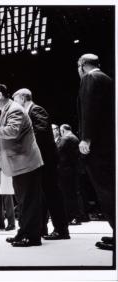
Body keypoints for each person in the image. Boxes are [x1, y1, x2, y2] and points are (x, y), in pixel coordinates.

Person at [0, 84, 43, 247]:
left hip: (26, 162)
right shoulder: (7, 110)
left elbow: (12, 131)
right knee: (23, 201)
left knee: (28, 201)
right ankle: (23, 233)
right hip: (20, 163)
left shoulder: (14, 109)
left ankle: (32, 237)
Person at [12, 88, 70, 240]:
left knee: (51, 194)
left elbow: (41, 131)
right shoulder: (29, 112)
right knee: (41, 196)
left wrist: (21, 140)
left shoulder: (36, 110)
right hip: (40, 160)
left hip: (46, 160)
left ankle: (61, 230)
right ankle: (40, 228)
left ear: (23, 98)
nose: (14, 103)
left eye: (15, 99)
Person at [77, 54, 115, 251]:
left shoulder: (90, 78)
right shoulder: (107, 78)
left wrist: (86, 138)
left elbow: (89, 110)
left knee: (106, 191)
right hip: (109, 143)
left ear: (82, 65)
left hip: (98, 146)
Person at [58, 124, 83, 225]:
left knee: (67, 194)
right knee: (74, 194)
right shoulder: (75, 138)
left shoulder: (66, 138)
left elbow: (58, 150)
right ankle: (77, 216)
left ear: (62, 130)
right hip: (73, 169)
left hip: (66, 171)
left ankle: (72, 217)